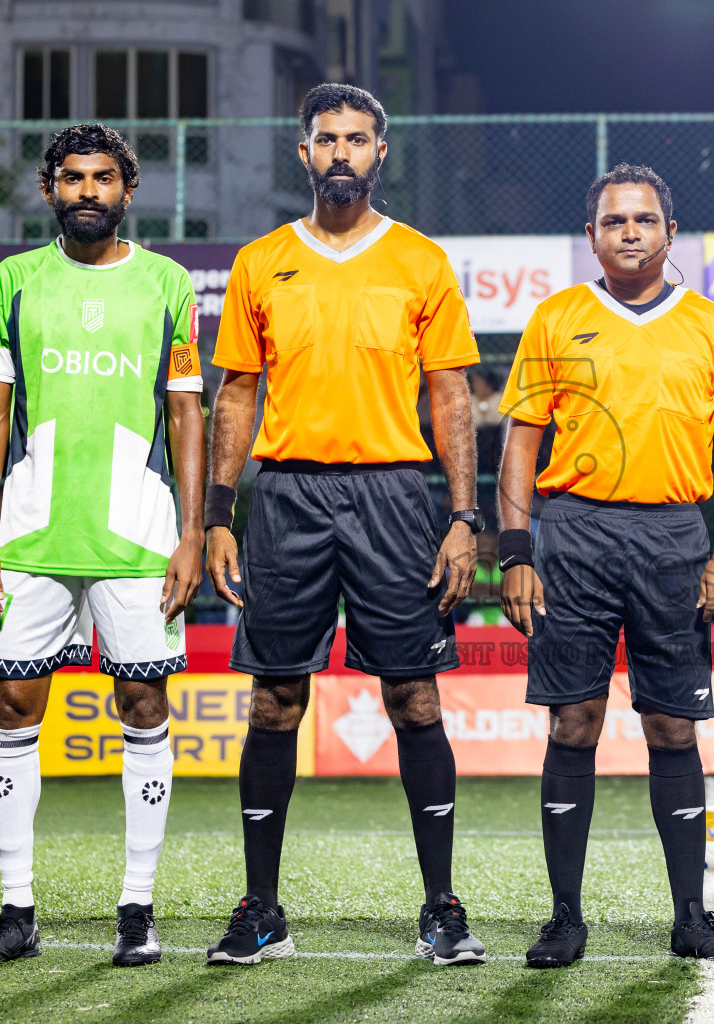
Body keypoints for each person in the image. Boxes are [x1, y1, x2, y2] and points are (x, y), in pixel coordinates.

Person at [203, 83, 485, 968]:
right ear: (304, 152)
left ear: (379, 153)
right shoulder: (261, 261)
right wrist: (217, 514)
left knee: (415, 697)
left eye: (357, 140)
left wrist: (464, 517)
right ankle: (261, 910)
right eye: (326, 138)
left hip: (395, 496)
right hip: (287, 497)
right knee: (274, 700)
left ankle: (441, 907)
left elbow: (451, 396)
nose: (340, 152)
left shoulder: (421, 261)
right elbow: (236, 394)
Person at [0, 123, 206, 969]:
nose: (88, 191)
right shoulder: (11, 281)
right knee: (13, 709)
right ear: (50, 189)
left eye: (103, 178)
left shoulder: (169, 283)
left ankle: (137, 908)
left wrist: (194, 534)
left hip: (137, 537)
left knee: (143, 707)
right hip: (32, 536)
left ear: (128, 190)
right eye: (73, 178)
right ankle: (16, 911)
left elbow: (186, 414)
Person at [498, 164, 714, 969]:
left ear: (670, 233)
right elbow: (520, 443)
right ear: (592, 237)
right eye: (615, 221)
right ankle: (564, 918)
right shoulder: (556, 318)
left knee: (672, 726)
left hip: (675, 535)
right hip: (574, 534)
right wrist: (515, 551)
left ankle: (691, 918)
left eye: (645, 220)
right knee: (573, 723)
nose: (631, 232)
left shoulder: (711, 327)